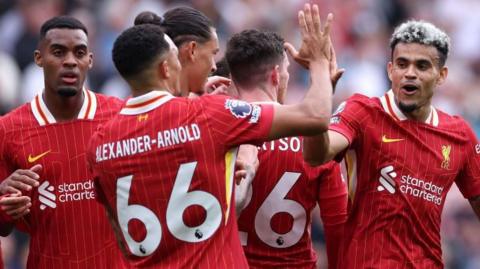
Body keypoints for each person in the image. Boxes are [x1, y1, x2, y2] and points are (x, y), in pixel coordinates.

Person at [88, 4, 334, 268]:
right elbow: (316, 115)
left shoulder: (100, 142)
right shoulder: (209, 115)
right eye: (212, 55)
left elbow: (121, 236)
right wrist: (319, 62)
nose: (215, 66)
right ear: (166, 68)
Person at [303, 20, 480, 268]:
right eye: (402, 64)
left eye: (422, 66)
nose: (410, 73)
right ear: (389, 70)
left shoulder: (459, 134)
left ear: (441, 76)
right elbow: (315, 154)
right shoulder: (363, 112)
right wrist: (319, 92)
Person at [0, 16, 126, 268]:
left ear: (89, 60)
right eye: (58, 52)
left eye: (79, 53)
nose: (70, 61)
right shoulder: (8, 129)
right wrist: (3, 200)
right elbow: (3, 228)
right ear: (39, 58)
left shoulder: (120, 117)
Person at [226, 29, 347, 269]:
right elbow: (339, 227)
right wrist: (320, 75)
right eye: (287, 71)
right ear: (275, 75)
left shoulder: (212, 132)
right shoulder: (313, 140)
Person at [134, 7, 229, 97]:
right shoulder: (207, 108)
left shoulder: (131, 106)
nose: (214, 67)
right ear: (192, 50)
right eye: (212, 53)